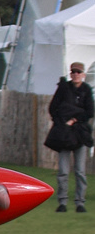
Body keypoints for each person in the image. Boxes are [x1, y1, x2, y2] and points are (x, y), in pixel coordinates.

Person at [48, 62, 93, 213]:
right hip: (65, 133)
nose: (75, 74)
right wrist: (61, 123)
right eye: (73, 72)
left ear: (83, 75)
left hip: (79, 133)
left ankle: (80, 202)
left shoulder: (86, 89)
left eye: (78, 72)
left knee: (80, 170)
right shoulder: (63, 88)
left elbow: (90, 112)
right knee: (63, 171)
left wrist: (74, 120)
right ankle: (62, 202)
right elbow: (53, 108)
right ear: (70, 73)